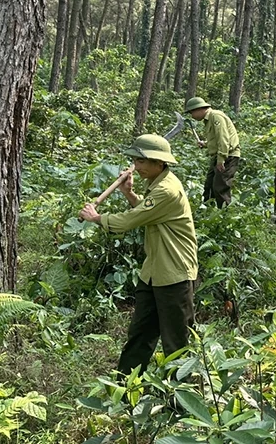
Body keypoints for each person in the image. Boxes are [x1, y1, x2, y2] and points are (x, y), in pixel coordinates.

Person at [79, 133, 198, 376]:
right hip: (153, 273)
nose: (137, 167)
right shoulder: (157, 186)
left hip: (174, 274)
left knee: (176, 344)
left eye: (142, 162)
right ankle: (126, 388)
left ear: (160, 163)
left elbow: (131, 220)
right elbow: (146, 209)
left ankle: (181, 403)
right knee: (140, 334)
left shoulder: (167, 189)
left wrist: (96, 218)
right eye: (135, 160)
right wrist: (129, 194)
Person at [184, 97, 241, 208]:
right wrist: (205, 144)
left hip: (228, 156)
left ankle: (224, 215)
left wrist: (221, 160)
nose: (192, 116)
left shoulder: (216, 116)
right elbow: (216, 140)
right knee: (209, 186)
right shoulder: (208, 119)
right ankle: (207, 212)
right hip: (219, 156)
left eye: (192, 112)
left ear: (199, 109)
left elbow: (223, 139)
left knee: (220, 187)